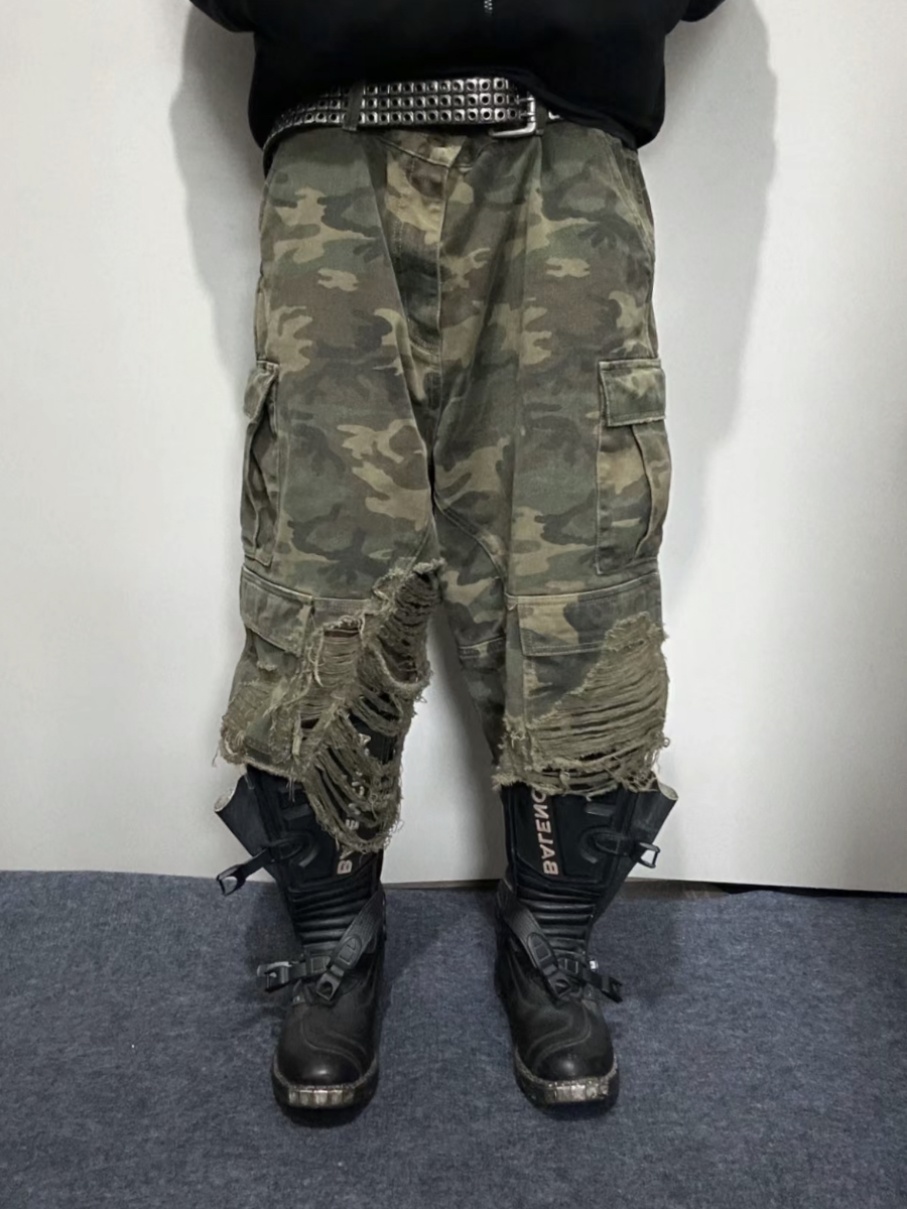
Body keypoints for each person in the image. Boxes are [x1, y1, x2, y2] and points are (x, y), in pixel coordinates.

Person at [189, 0, 728, 1113]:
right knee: (321, 558)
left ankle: (550, 936)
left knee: (573, 562)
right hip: (332, 155)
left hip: (562, 153)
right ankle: (335, 936)